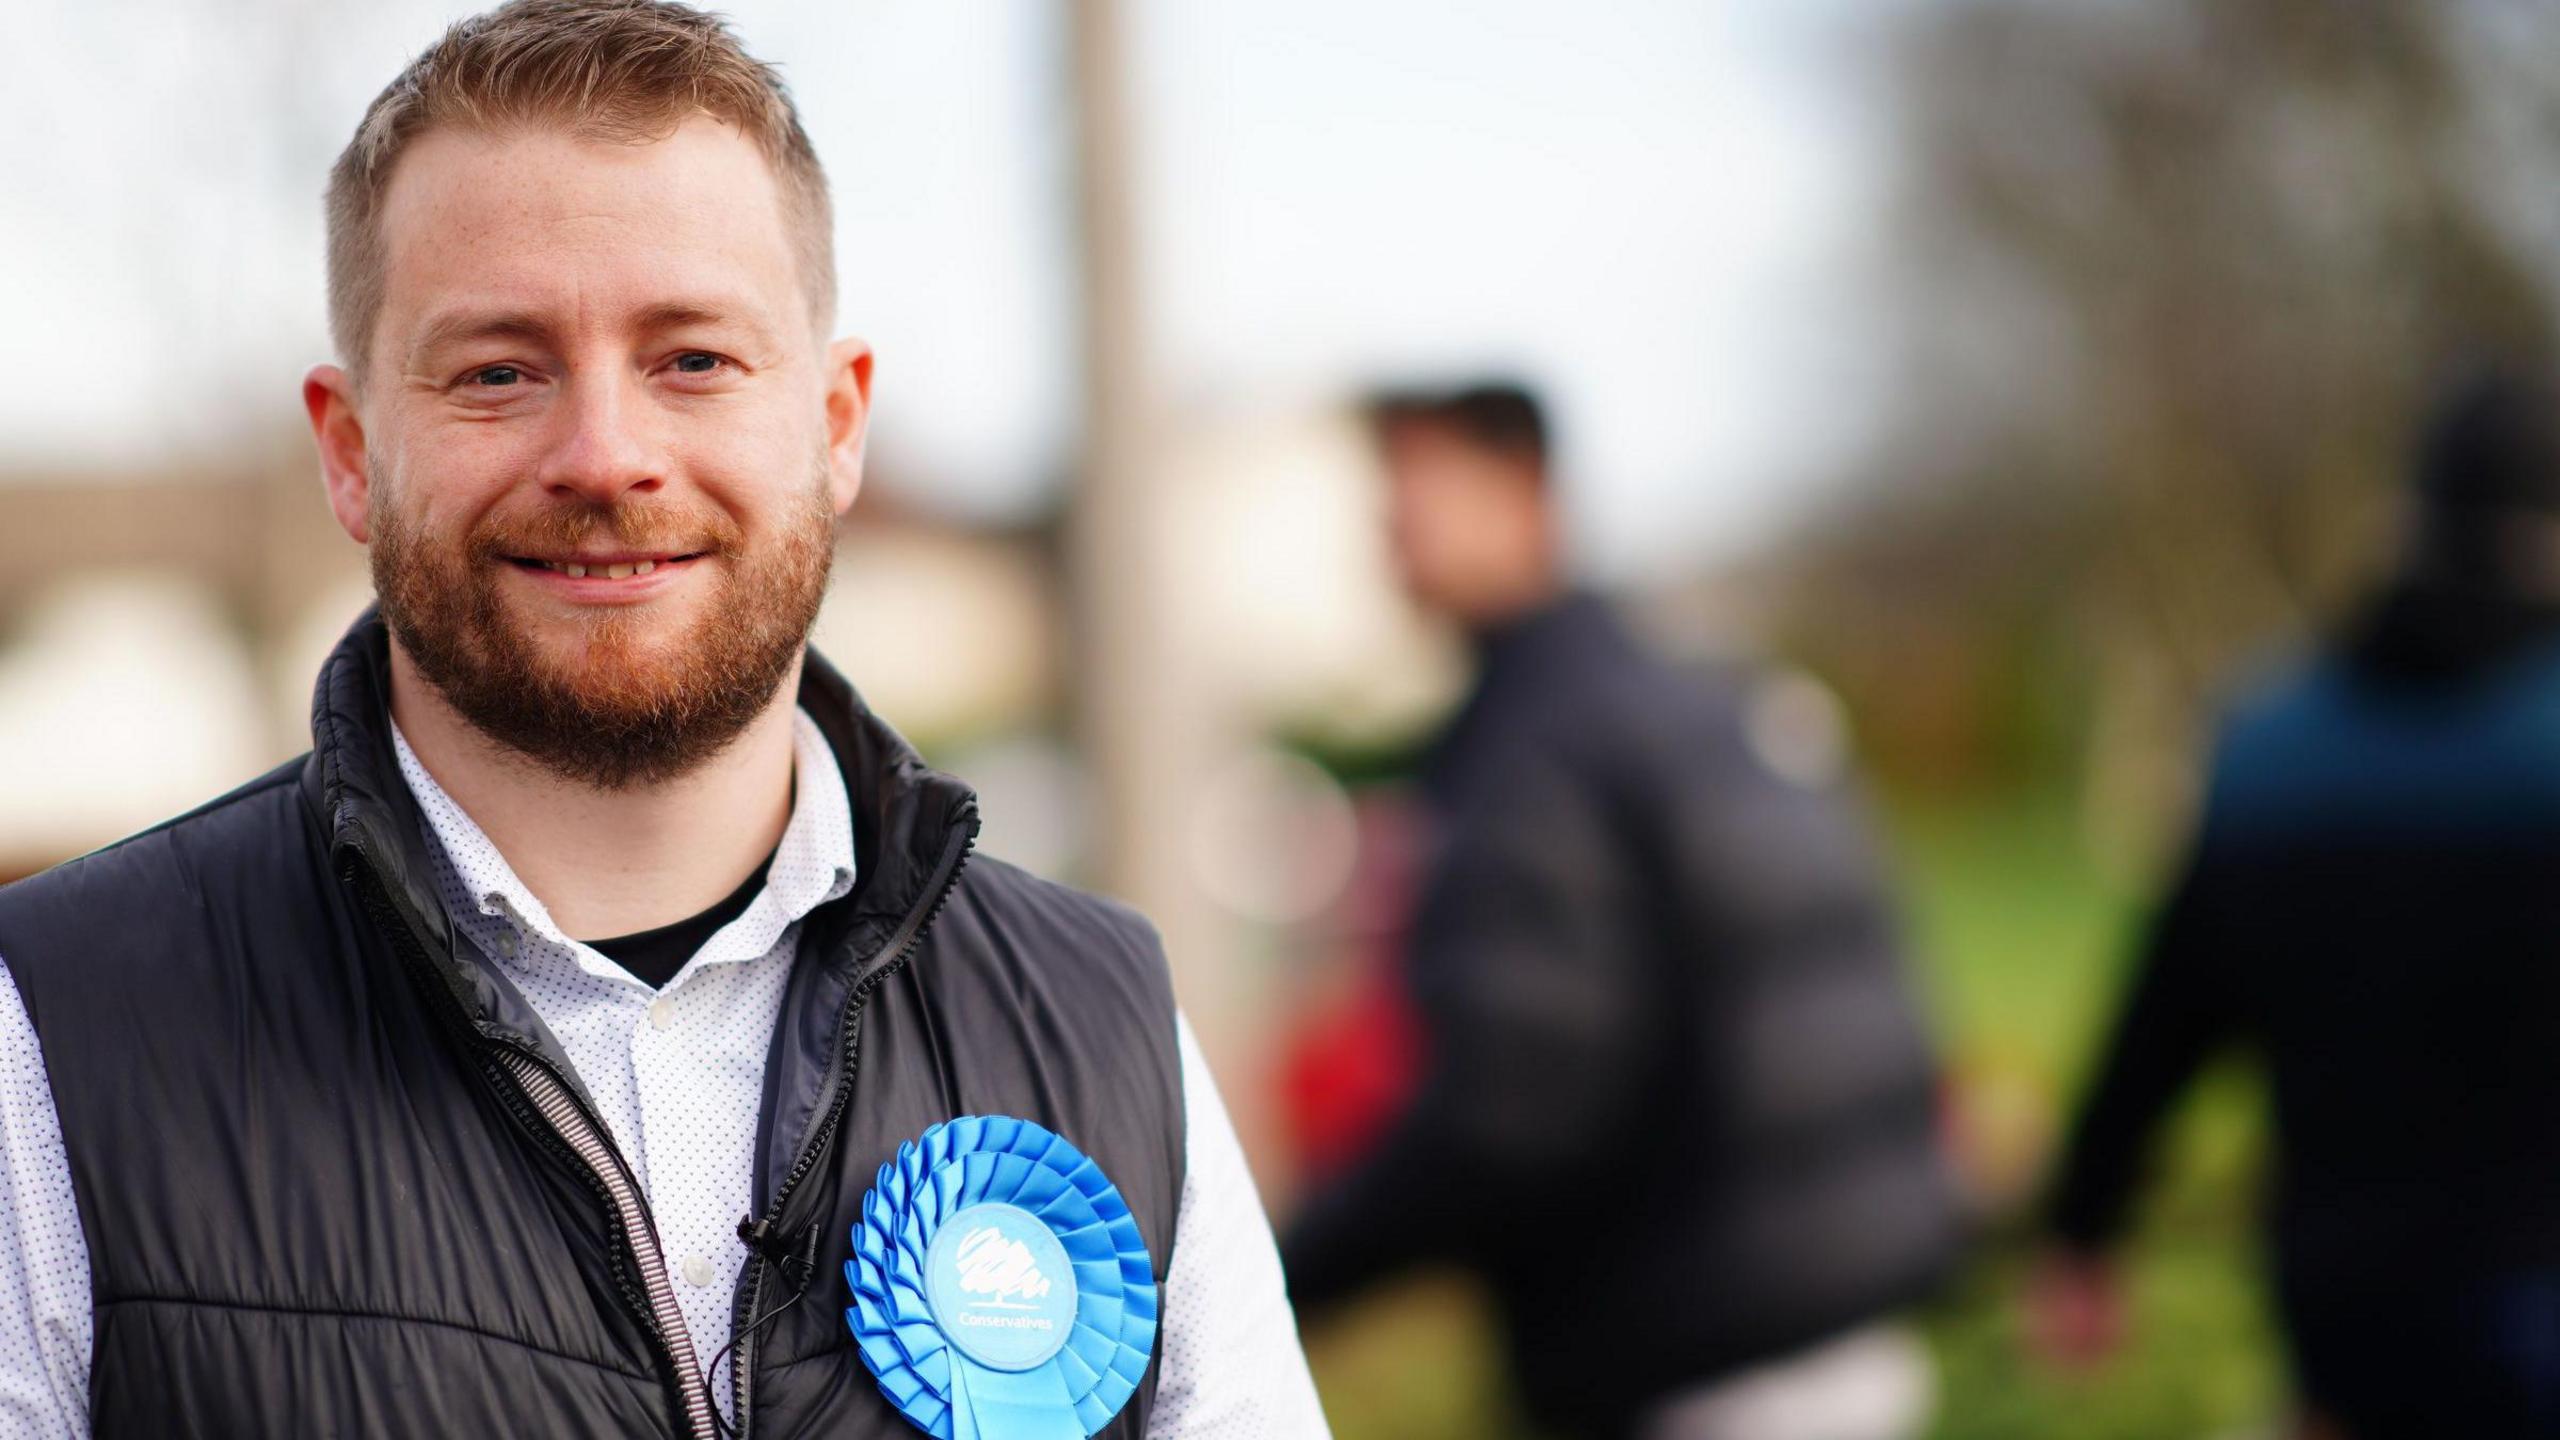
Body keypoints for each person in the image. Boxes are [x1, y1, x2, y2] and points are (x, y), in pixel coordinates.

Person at [0, 4, 1329, 1436]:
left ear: (834, 426)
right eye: (499, 370)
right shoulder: (52, 1038)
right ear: (350, 453)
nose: (608, 457)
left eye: (692, 358)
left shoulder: (1105, 1024)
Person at [1280, 382, 1961, 1440]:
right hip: (1835, 1335)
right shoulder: (1684, 699)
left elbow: (1509, 1103)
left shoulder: (1535, 750)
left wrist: (1293, 1270)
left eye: (1412, 490)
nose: (1388, 532)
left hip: (1693, 1352)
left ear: (1525, 495)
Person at [2032, 364, 2560, 1438]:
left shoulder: (2269, 746)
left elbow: (2162, 1019)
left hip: (2345, 1307)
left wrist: (2083, 1226)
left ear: (2409, 520)